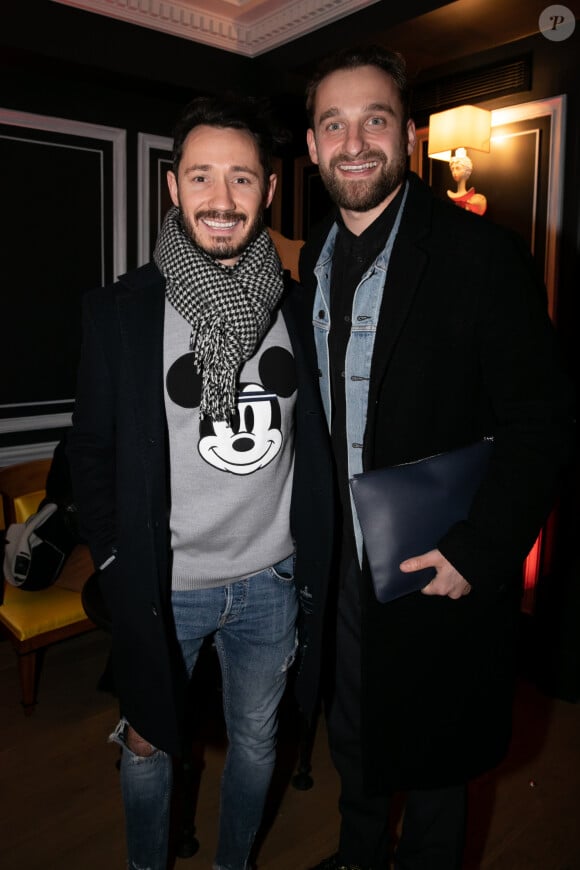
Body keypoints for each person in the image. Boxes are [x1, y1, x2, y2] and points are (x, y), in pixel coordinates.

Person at [297, 45, 575, 870]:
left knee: (439, 768)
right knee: (353, 731)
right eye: (333, 124)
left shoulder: (481, 255)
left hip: (435, 558)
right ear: (310, 146)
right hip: (340, 562)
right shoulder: (306, 262)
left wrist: (479, 550)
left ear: (408, 134)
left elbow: (545, 418)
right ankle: (356, 856)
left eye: (374, 119)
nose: (354, 142)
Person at [67, 94, 333, 870]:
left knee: (256, 741)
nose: (222, 200)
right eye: (203, 177)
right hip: (163, 584)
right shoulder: (119, 313)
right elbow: (89, 450)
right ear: (174, 188)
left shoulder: (302, 308)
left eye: (242, 179)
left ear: (270, 192)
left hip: (272, 582)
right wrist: (116, 563)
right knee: (148, 745)